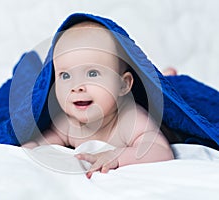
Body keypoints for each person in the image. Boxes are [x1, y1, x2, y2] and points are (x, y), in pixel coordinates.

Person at [23, 21, 174, 178]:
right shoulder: (68, 122)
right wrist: (32, 147)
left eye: (92, 73)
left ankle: (168, 76)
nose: (76, 87)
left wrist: (117, 156)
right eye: (66, 75)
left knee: (173, 87)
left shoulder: (130, 118)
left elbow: (161, 150)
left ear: (123, 84)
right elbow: (44, 143)